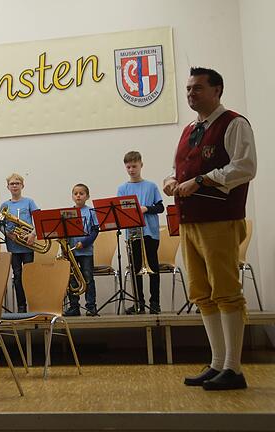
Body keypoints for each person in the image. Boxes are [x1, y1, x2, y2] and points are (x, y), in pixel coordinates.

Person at [163, 67, 256, 391]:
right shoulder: (190, 128)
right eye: (188, 88)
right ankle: (217, 363)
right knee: (202, 293)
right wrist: (172, 180)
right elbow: (181, 167)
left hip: (219, 219)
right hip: (191, 222)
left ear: (217, 90)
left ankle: (234, 368)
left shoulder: (234, 123)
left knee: (226, 291)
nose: (191, 93)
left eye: (198, 88)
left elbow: (245, 167)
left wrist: (202, 180)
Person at [117, 151, 164, 314]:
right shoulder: (123, 188)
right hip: (133, 235)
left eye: (134, 166)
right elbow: (120, 211)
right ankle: (139, 303)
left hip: (150, 233)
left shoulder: (151, 186)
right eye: (128, 167)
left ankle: (155, 303)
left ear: (141, 165)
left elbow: (160, 207)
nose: (131, 170)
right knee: (136, 269)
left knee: (153, 268)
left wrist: (146, 209)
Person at [0, 173, 39, 313]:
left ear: (22, 185)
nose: (14, 185)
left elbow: (38, 220)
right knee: (17, 276)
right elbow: (0, 225)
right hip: (13, 247)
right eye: (12, 183)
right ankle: (22, 306)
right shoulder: (5, 205)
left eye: (17, 183)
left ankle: (32, 305)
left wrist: (33, 234)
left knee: (29, 277)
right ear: (8, 187)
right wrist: (8, 233)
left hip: (28, 246)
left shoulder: (29, 202)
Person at [62, 184, 99, 317]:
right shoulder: (67, 213)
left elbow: (95, 231)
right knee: (71, 279)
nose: (78, 195)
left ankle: (91, 306)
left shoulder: (91, 211)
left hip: (86, 251)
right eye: (76, 193)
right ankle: (74, 307)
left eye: (81, 193)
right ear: (72, 196)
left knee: (88, 278)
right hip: (71, 251)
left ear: (87, 196)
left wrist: (84, 243)